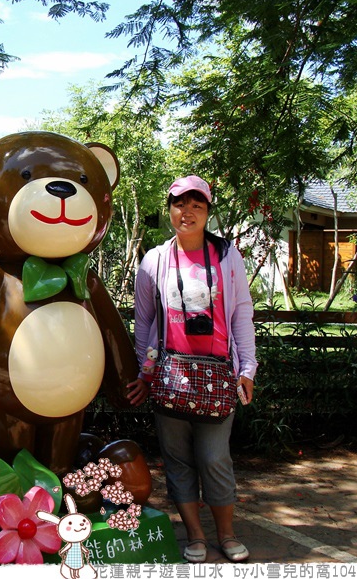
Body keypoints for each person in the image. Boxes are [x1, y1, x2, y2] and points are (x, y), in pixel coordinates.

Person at [126, 175, 257, 563]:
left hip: (218, 375)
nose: (188, 212)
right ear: (170, 210)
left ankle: (227, 534)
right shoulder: (155, 260)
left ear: (208, 212)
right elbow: (146, 322)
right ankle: (196, 536)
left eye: (197, 205)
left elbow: (242, 314)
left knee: (215, 458)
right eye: (180, 204)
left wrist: (247, 368)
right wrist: (145, 374)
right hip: (171, 375)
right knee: (178, 460)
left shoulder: (227, 255)